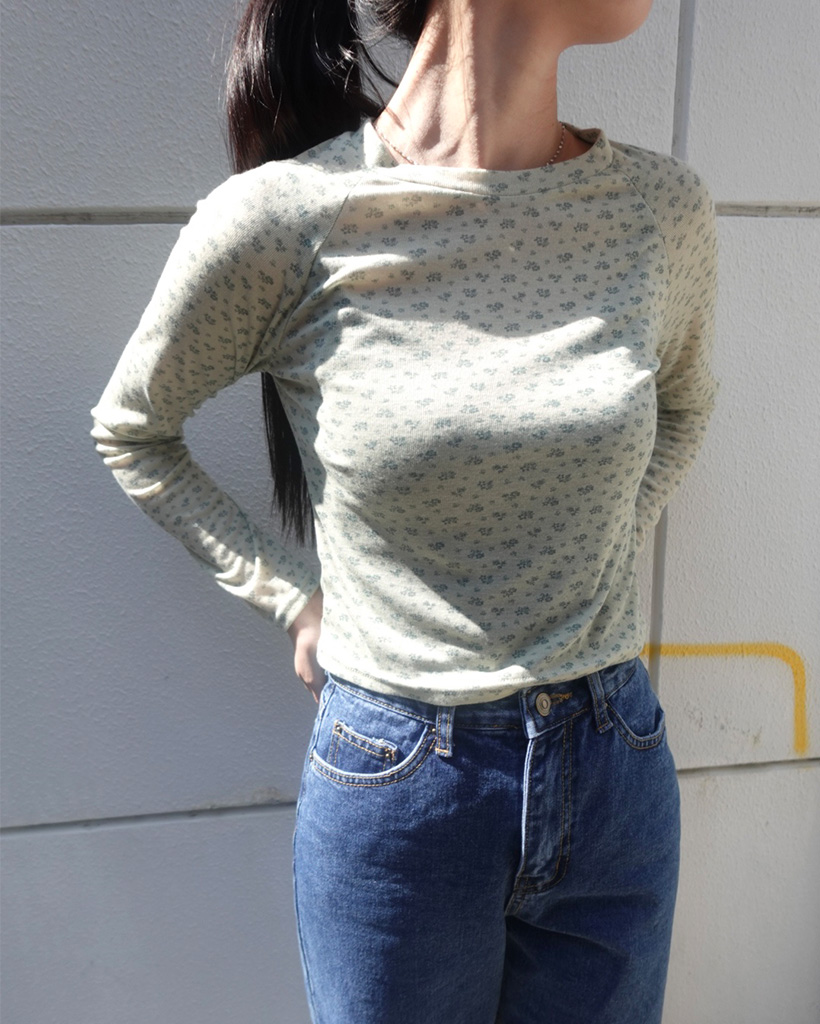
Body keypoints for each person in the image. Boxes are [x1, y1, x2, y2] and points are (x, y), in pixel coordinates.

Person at [90, 0, 719, 1020]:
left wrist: (595, 545)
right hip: (401, 785)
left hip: (616, 763)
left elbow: (686, 406)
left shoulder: (658, 209)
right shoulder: (290, 217)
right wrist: (292, 598)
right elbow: (135, 429)